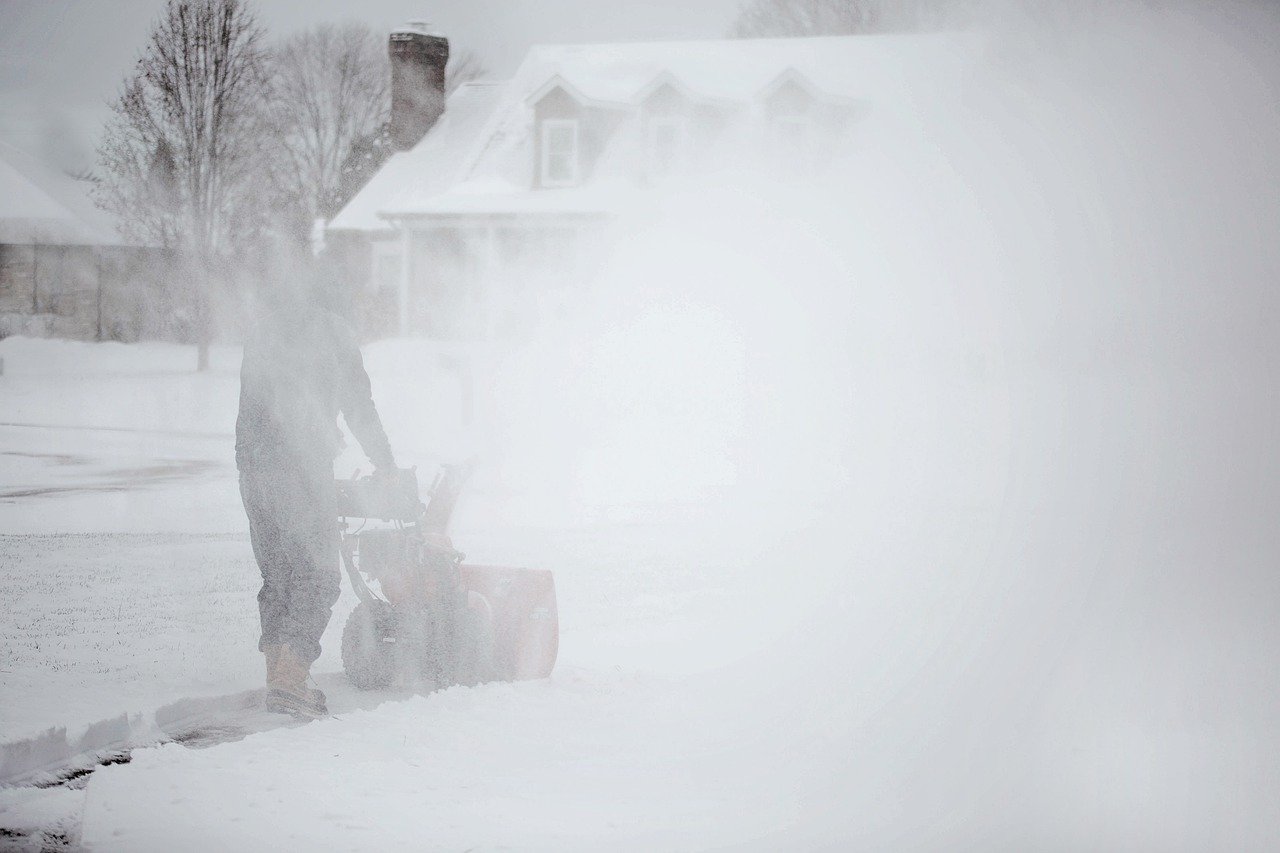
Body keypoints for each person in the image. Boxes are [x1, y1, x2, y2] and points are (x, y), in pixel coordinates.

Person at [235, 254, 396, 718]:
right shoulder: (333, 333)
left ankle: (280, 675)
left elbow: (259, 407)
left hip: (252, 471)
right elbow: (359, 407)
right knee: (320, 576)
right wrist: (384, 464)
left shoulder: (263, 330)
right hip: (300, 470)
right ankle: (290, 679)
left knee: (280, 576)